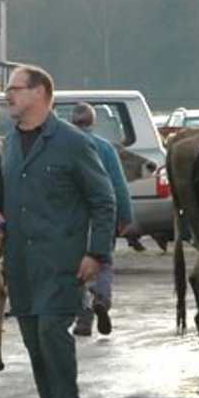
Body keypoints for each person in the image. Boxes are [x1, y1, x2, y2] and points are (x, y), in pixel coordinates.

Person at [0, 65, 116, 398]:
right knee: (36, 346)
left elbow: (104, 200)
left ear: (39, 93)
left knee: (53, 339)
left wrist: (97, 253)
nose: (8, 97)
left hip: (61, 261)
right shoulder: (10, 143)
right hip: (21, 263)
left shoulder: (72, 143)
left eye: (15, 89)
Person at [68, 102, 133, 338]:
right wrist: (125, 216)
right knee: (103, 260)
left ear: (72, 122)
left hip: (73, 217)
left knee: (76, 266)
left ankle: (83, 318)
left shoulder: (63, 146)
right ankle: (102, 300)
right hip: (102, 216)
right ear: (93, 122)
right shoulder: (105, 148)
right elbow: (118, 185)